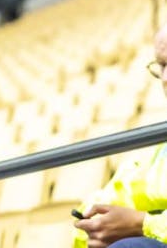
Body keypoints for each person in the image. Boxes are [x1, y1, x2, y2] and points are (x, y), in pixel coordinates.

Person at [73, 25, 167, 248]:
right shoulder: (158, 152)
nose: (165, 79)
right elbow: (113, 196)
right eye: (162, 65)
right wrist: (93, 227)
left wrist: (143, 224)